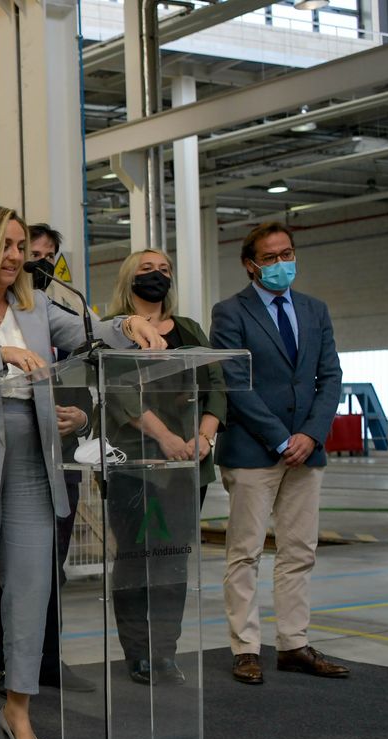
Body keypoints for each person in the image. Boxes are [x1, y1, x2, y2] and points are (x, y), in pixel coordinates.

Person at [0, 206, 163, 739]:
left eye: (21, 246)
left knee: (30, 594)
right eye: (6, 245)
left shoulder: (38, 305)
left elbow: (92, 335)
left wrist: (127, 325)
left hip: (33, 461)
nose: (16, 256)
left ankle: (18, 710)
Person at [211, 222, 348, 685]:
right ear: (251, 265)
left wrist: (310, 434)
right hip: (253, 451)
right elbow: (235, 383)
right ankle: (246, 648)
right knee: (245, 553)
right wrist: (280, 438)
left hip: (307, 451)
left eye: (286, 253)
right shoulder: (230, 312)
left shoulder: (314, 310)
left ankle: (293, 644)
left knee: (299, 551)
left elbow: (330, 377)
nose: (280, 263)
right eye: (270, 258)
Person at [102, 248, 227, 685]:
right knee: (136, 559)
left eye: (164, 269)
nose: (157, 275)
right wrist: (166, 438)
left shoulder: (189, 329)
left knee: (174, 561)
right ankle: (138, 652)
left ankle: (165, 652)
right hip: (135, 465)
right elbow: (119, 391)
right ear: (129, 278)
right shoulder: (114, 330)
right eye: (147, 269)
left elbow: (216, 384)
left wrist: (204, 437)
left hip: (188, 466)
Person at [0, 223, 95, 697]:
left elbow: (89, 374)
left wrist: (84, 416)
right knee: (4, 570)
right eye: (28, 251)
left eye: (48, 256)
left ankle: (45, 660)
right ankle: (6, 662)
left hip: (59, 457)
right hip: (6, 454)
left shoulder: (59, 314)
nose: (37, 262)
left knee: (50, 568)